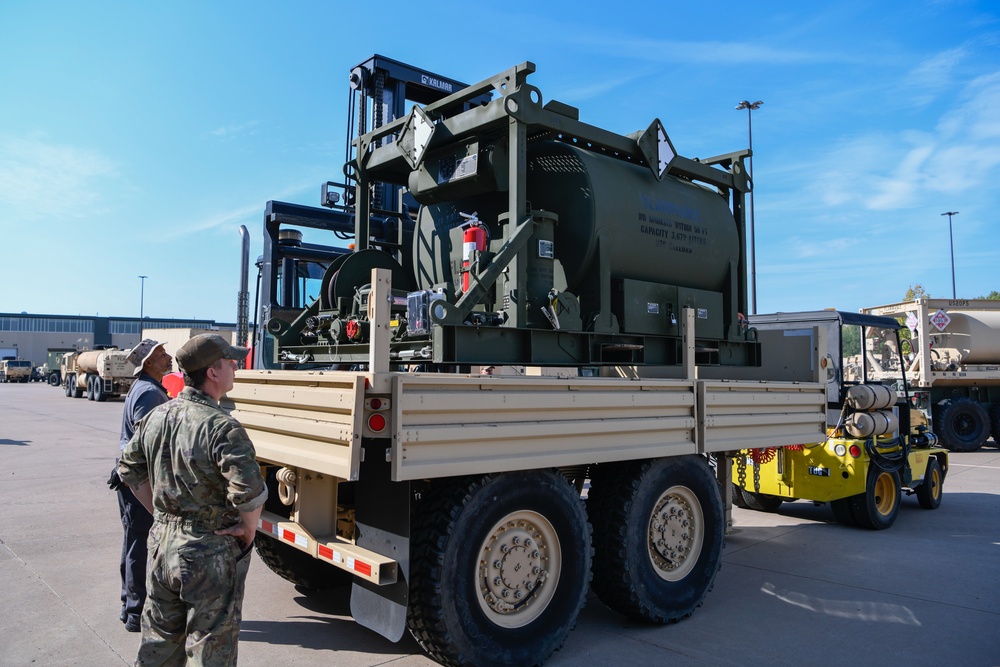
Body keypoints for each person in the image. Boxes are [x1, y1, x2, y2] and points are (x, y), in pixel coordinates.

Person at [118, 333, 266, 665]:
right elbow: (249, 494)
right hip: (207, 551)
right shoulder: (223, 428)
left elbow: (128, 471)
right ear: (212, 372)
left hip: (162, 546)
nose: (236, 368)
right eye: (231, 363)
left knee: (159, 646)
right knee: (209, 650)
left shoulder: (157, 415)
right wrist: (247, 529)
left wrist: (161, 517)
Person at [118, 338, 173, 632]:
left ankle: (130, 607)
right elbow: (147, 443)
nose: (168, 356)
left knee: (133, 542)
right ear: (149, 362)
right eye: (161, 354)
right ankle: (136, 612)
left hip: (132, 479)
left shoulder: (148, 389)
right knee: (139, 544)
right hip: (138, 482)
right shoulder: (149, 393)